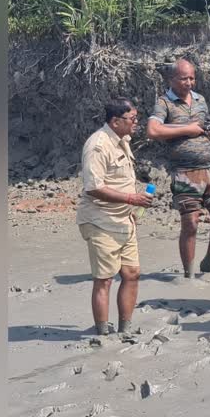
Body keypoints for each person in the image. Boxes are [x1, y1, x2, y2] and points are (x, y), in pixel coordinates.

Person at [146, 59, 210, 278]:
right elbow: (153, 131)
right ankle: (188, 274)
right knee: (190, 223)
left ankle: (209, 261)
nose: (189, 82)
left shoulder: (201, 101)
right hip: (184, 172)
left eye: (192, 77)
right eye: (184, 78)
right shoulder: (164, 103)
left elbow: (206, 134)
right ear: (172, 79)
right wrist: (187, 128)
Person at [76, 98, 153, 335]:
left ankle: (125, 329)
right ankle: (102, 332)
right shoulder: (98, 145)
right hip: (100, 220)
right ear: (115, 121)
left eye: (136, 118)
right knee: (105, 279)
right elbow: (94, 187)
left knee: (132, 273)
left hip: (124, 219)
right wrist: (131, 199)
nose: (136, 123)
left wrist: (133, 206)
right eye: (132, 119)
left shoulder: (123, 140)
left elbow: (120, 179)